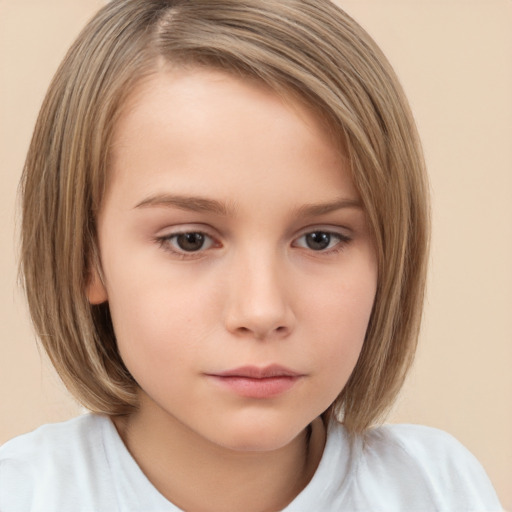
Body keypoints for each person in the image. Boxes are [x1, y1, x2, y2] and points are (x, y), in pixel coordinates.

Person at [0, 0, 503, 510]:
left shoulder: (438, 490)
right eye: (189, 240)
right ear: (87, 255)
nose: (261, 312)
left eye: (319, 239)